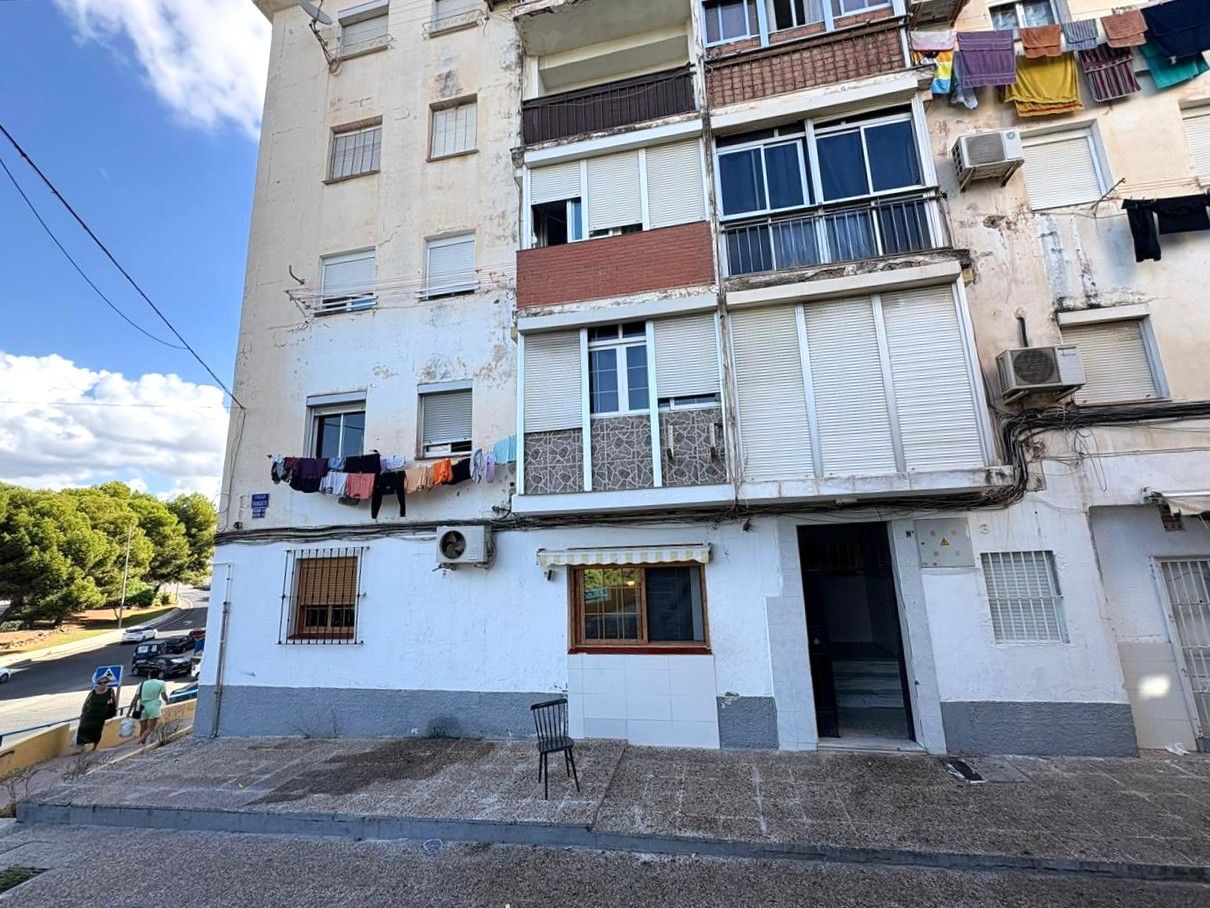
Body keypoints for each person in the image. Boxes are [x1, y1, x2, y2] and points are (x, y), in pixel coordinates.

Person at [75, 675, 118, 751]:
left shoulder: (110, 691)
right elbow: (86, 703)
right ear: (97, 683)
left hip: (101, 714)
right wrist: (82, 713)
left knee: (97, 730)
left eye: (105, 682)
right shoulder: (93, 692)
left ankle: (94, 747)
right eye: (100, 683)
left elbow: (114, 702)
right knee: (83, 727)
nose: (103, 684)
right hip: (90, 713)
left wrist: (113, 711)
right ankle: (81, 745)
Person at [132, 667, 170, 745]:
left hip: (142, 707)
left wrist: (129, 711)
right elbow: (164, 696)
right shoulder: (161, 683)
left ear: (149, 675)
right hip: (153, 707)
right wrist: (167, 701)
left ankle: (142, 743)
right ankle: (141, 739)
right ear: (158, 676)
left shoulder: (142, 684)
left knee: (143, 727)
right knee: (151, 727)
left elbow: (135, 698)